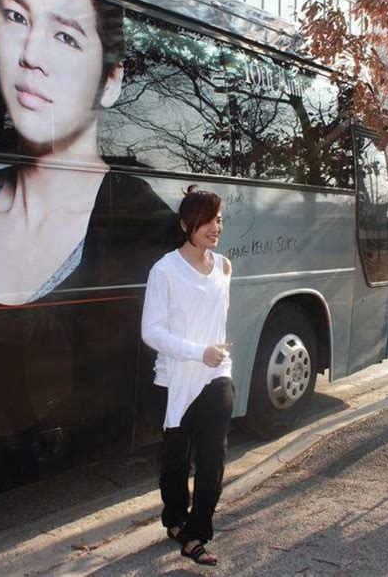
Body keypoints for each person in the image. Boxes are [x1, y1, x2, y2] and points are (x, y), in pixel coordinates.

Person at [0, 0, 177, 493]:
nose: (31, 54)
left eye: (65, 36)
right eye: (16, 16)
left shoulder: (148, 231)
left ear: (110, 81)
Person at [142, 185, 233, 567]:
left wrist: (216, 355)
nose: (215, 227)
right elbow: (151, 331)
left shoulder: (224, 266)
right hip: (176, 380)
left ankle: (196, 535)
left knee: (213, 460)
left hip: (216, 376)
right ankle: (176, 520)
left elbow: (216, 320)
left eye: (219, 219)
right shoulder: (164, 270)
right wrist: (199, 351)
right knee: (175, 462)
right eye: (207, 220)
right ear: (185, 225)